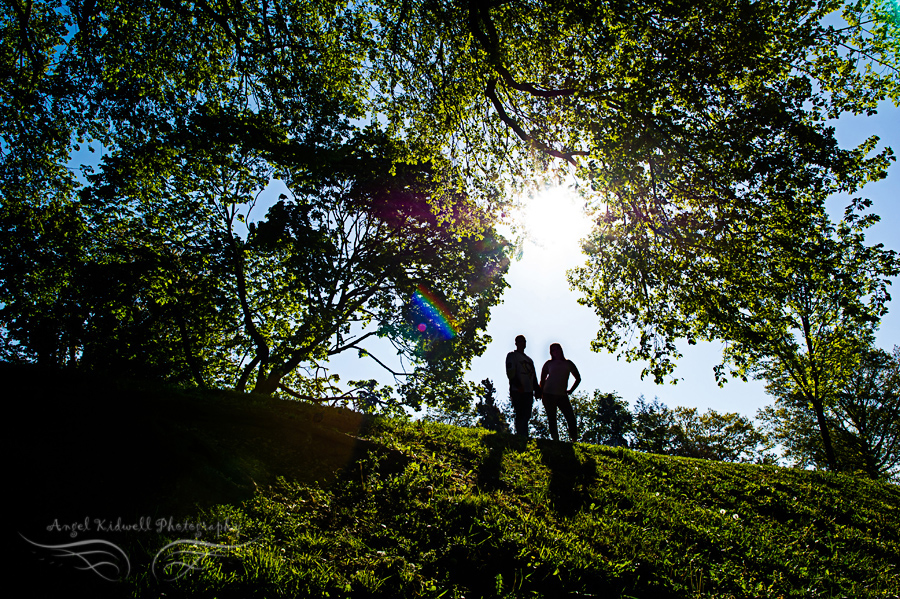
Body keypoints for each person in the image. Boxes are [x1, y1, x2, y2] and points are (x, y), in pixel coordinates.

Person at [540, 343, 581, 442]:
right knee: (552, 417)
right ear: (551, 352)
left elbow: (578, 378)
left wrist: (571, 390)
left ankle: (574, 439)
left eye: (557, 349)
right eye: (553, 350)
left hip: (562, 395)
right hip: (548, 394)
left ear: (561, 350)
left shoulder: (568, 363)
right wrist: (540, 392)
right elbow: (542, 379)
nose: (556, 351)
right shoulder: (548, 363)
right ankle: (555, 440)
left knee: (570, 417)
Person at [505, 335, 541, 437]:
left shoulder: (529, 360)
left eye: (523, 341)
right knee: (520, 412)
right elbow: (510, 372)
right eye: (519, 341)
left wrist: (537, 390)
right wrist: (517, 384)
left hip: (528, 391)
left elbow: (533, 376)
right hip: (518, 390)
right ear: (516, 343)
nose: (522, 343)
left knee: (527, 414)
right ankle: (520, 435)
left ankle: (525, 434)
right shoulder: (512, 356)